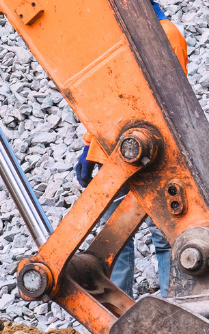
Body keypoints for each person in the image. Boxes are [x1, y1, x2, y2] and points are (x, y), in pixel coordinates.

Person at [73, 1, 188, 298]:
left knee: (162, 237)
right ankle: (117, 311)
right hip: (114, 154)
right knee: (113, 240)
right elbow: (106, 98)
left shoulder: (165, 34)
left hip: (150, 154)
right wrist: (90, 146)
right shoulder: (120, 34)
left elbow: (168, 100)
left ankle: (173, 309)